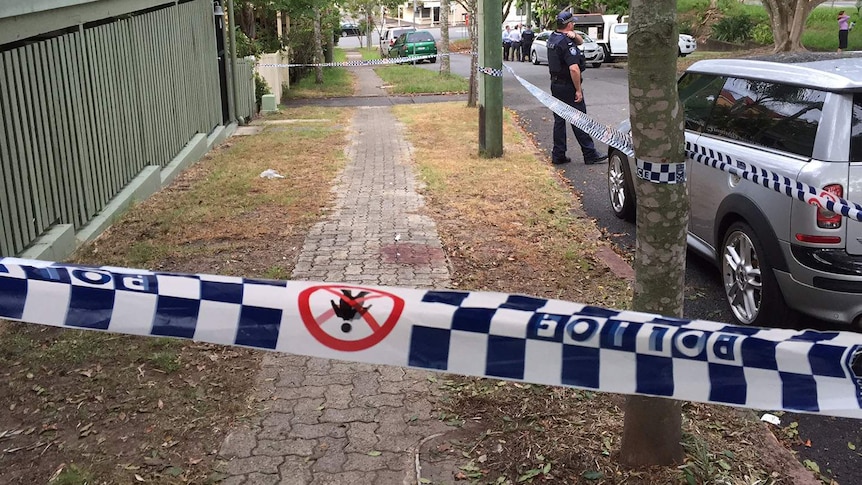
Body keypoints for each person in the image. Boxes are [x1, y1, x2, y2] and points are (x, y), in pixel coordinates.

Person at [547, 11, 607, 165]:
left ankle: (558, 154)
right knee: (579, 119)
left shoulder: (553, 38)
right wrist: (578, 90)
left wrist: (575, 36)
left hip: (556, 84)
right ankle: (589, 153)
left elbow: (579, 41)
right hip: (568, 86)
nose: (574, 24)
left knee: (559, 121)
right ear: (569, 24)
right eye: (572, 22)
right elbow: (574, 69)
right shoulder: (565, 43)